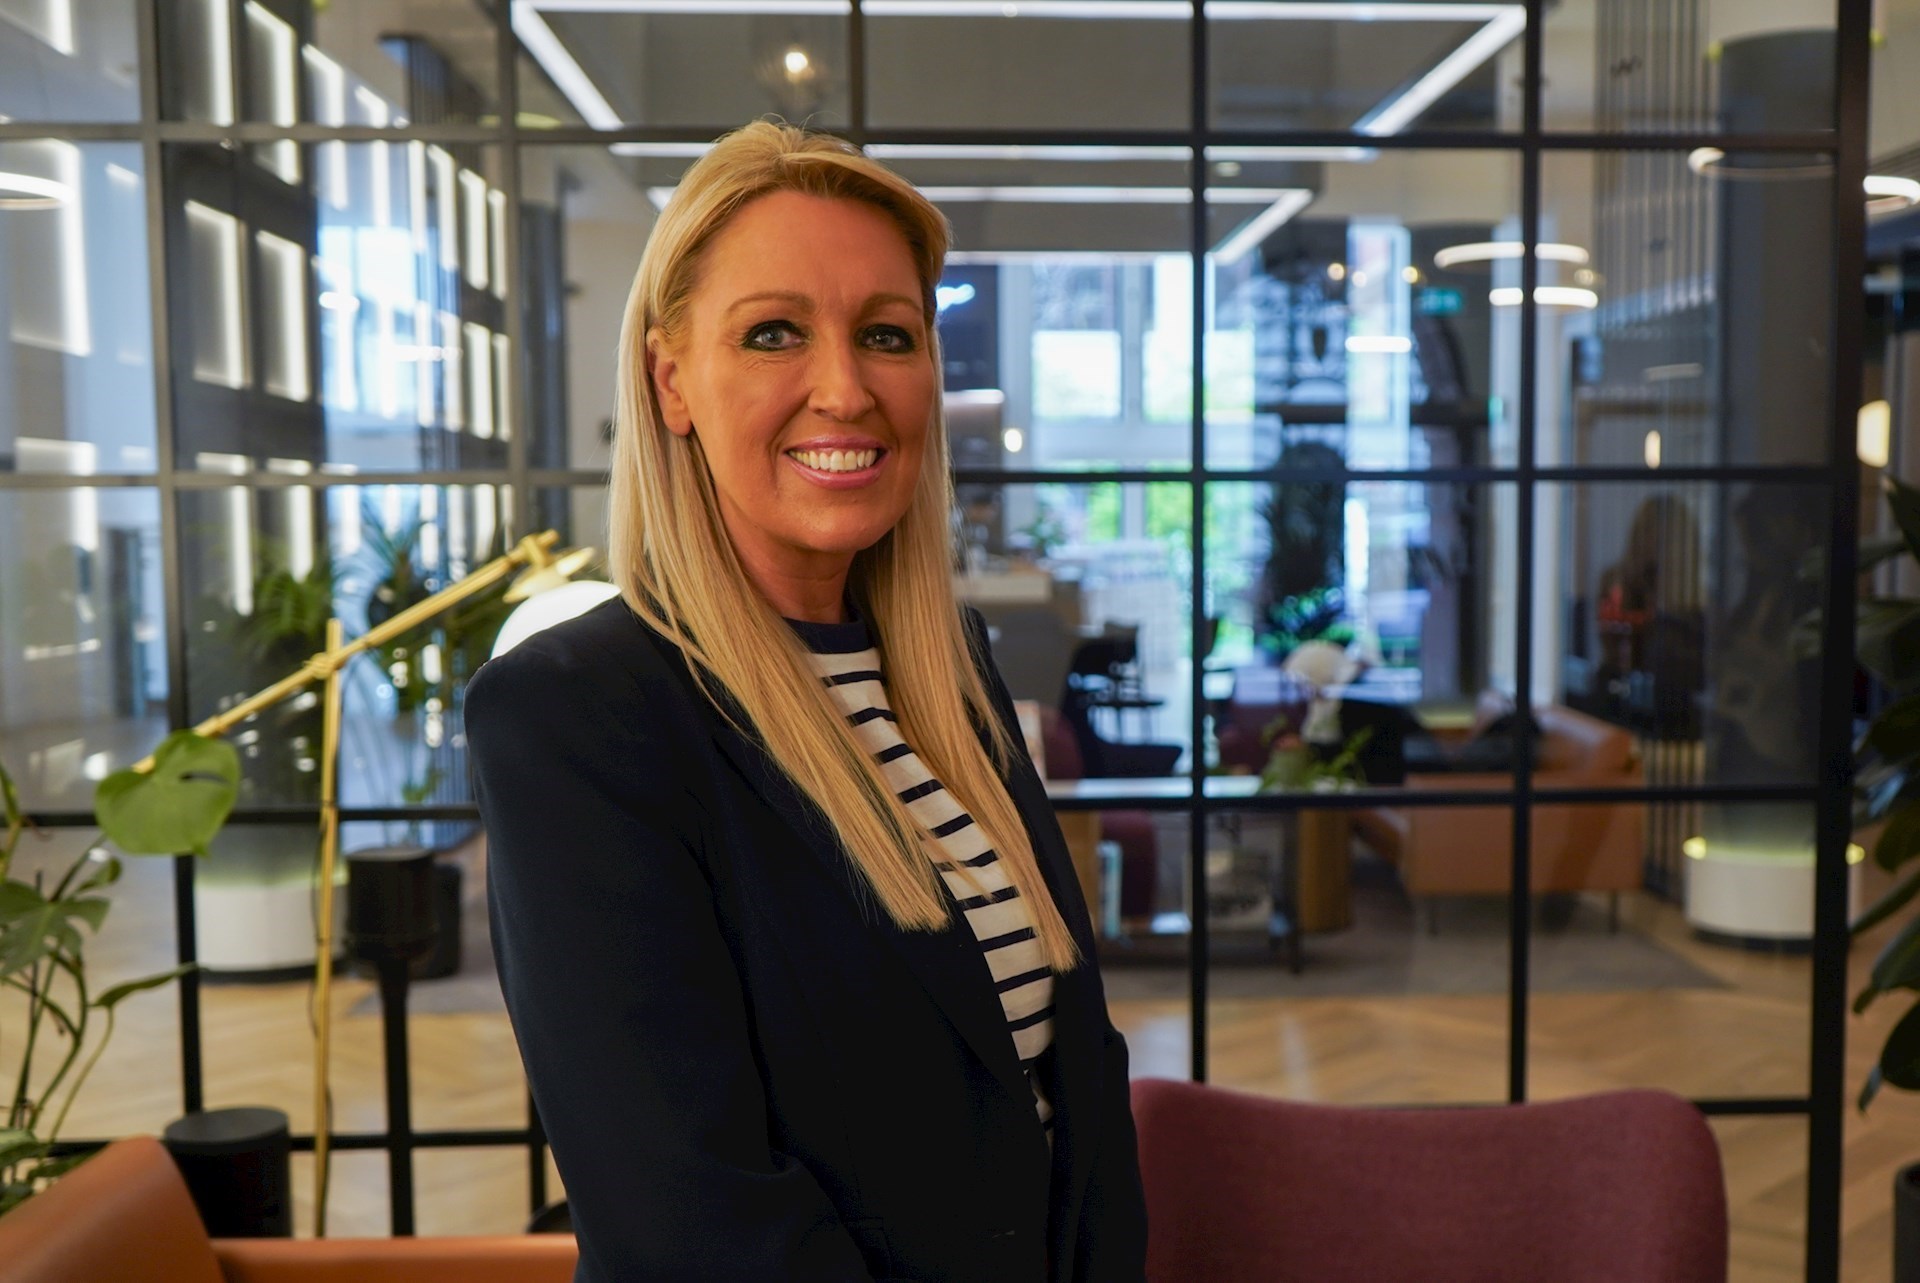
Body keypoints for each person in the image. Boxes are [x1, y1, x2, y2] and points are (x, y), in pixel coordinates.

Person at [465, 120, 1148, 1283]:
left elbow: (1074, 1076)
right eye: (774, 332)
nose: (845, 388)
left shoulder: (951, 670)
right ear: (671, 379)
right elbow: (690, 1219)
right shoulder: (576, 715)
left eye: (887, 334)